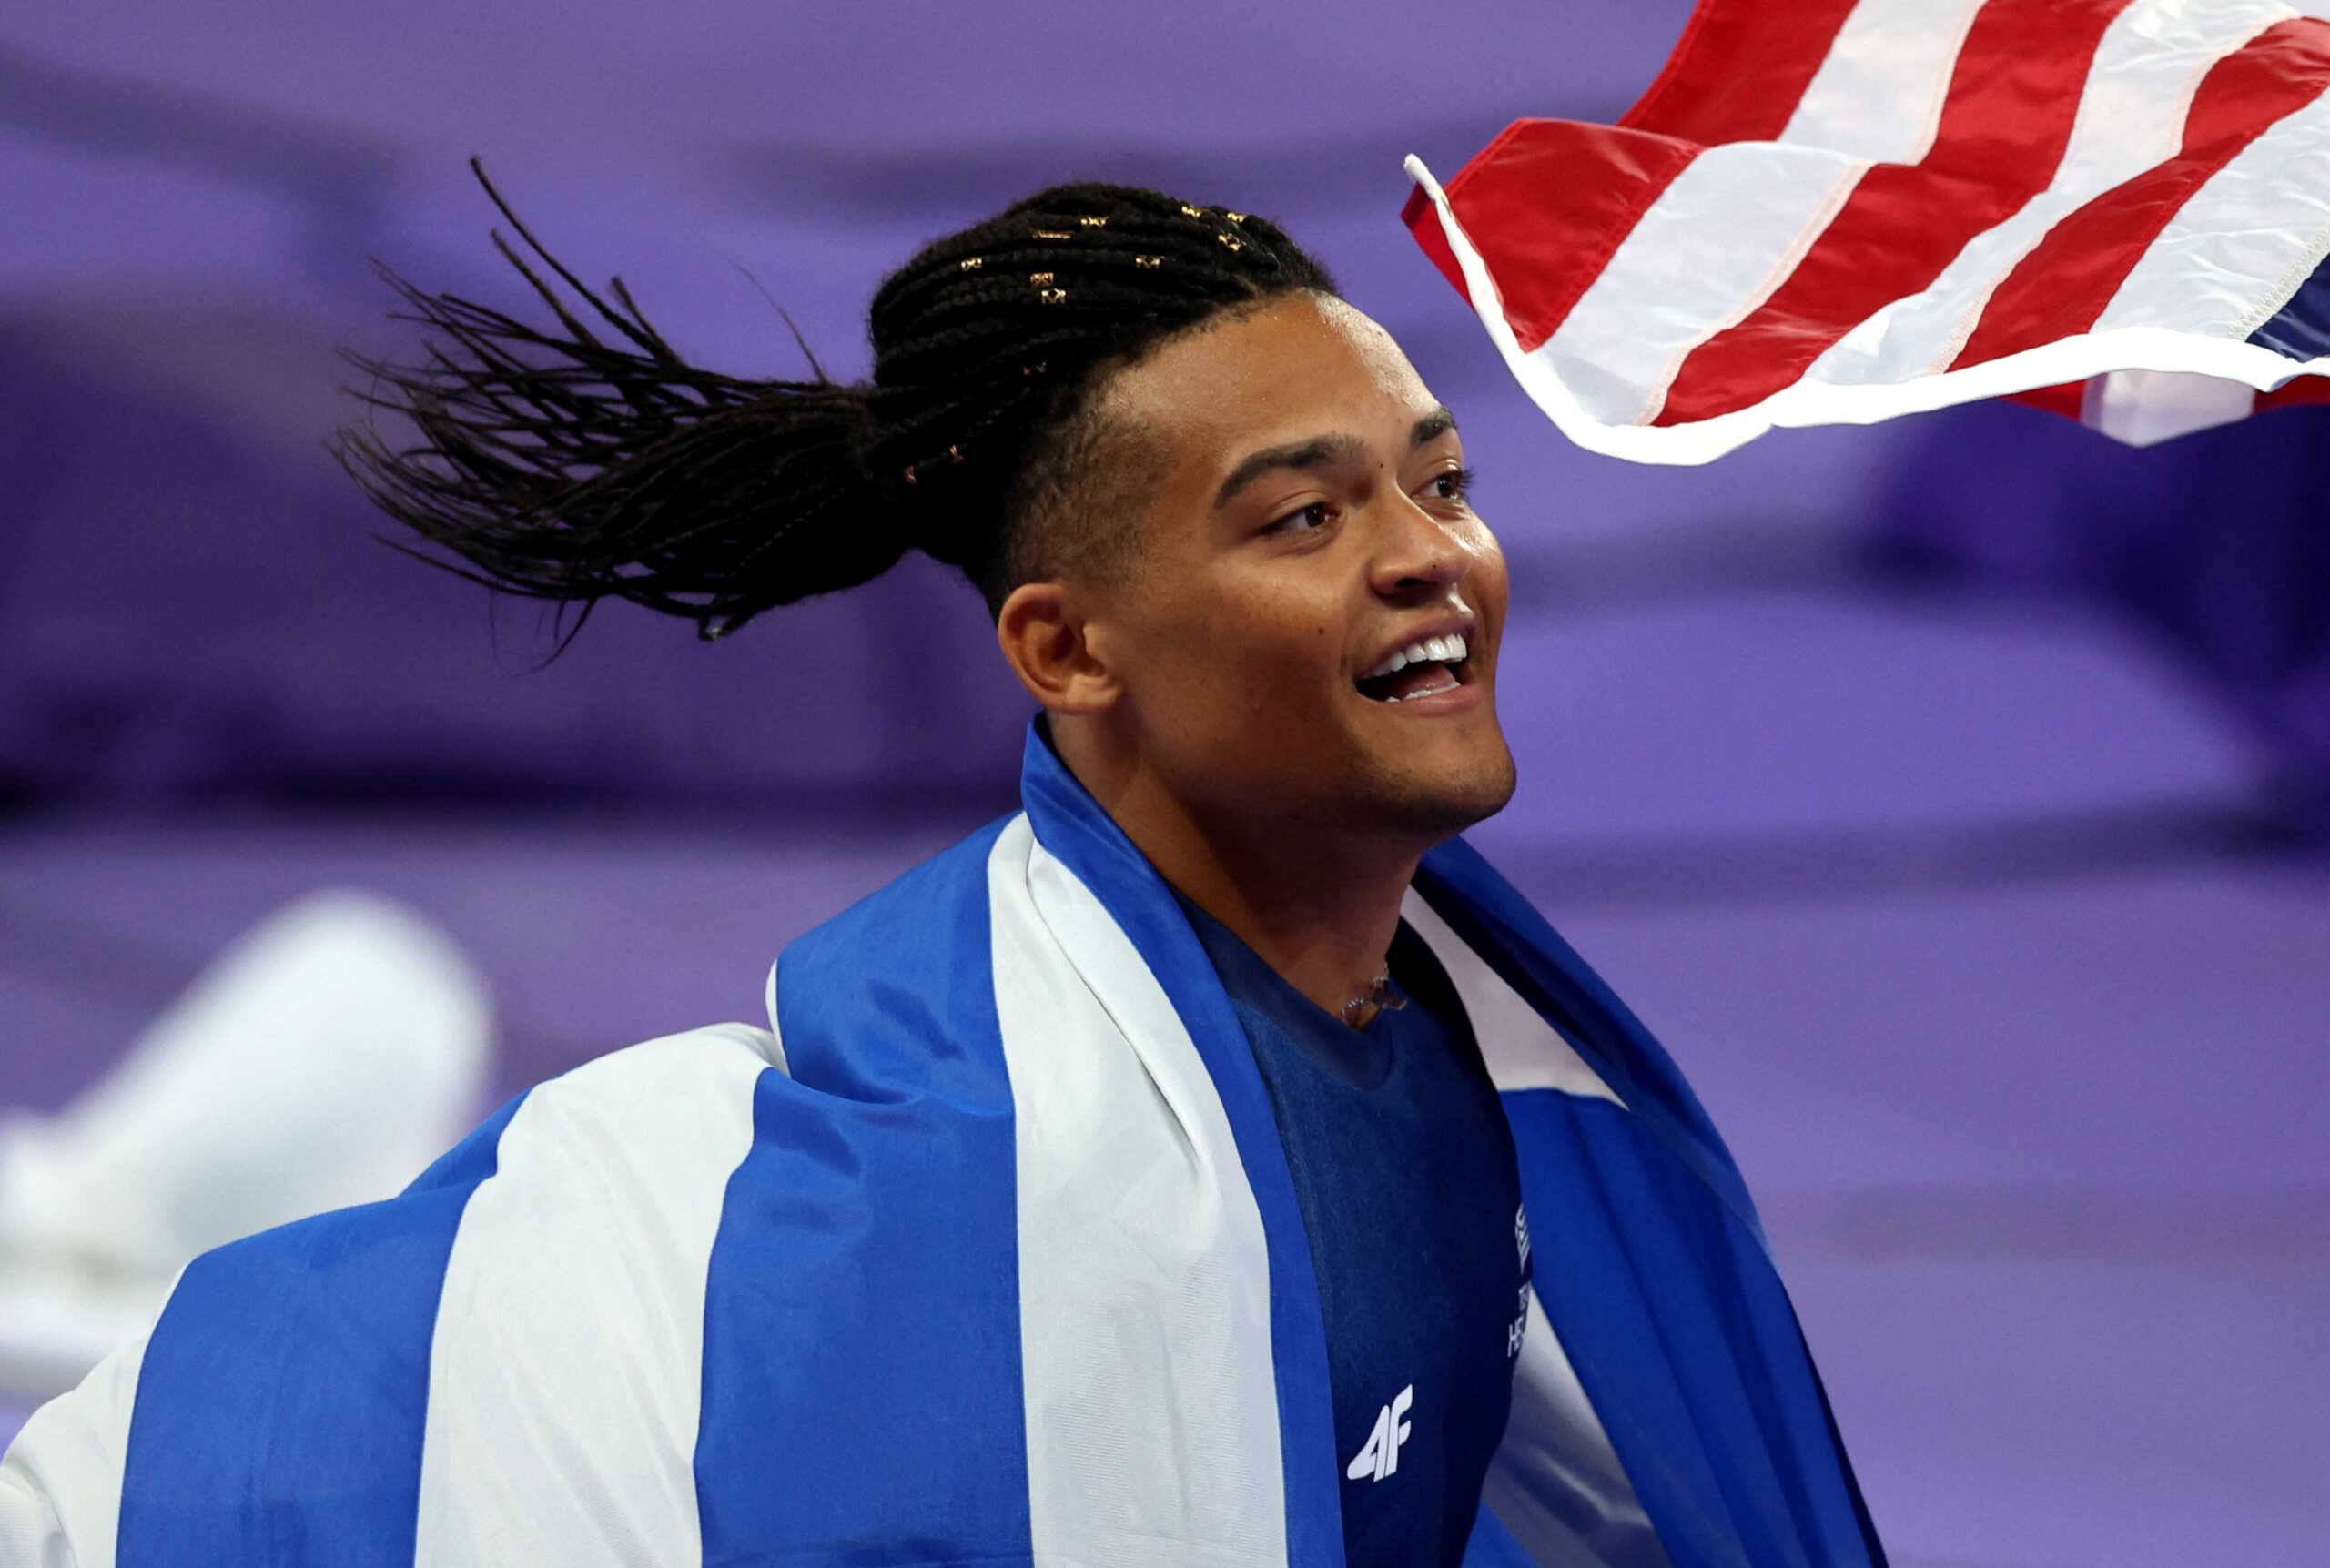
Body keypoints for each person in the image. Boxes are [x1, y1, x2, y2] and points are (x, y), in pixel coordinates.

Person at [0, 174, 1887, 1568]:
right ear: (1067, 654)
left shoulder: (1415, 1029)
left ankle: (102, 1238)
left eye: (1440, 479)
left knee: (370, 1002)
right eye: (1305, 516)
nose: (1428, 556)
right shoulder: (1069, 1217)